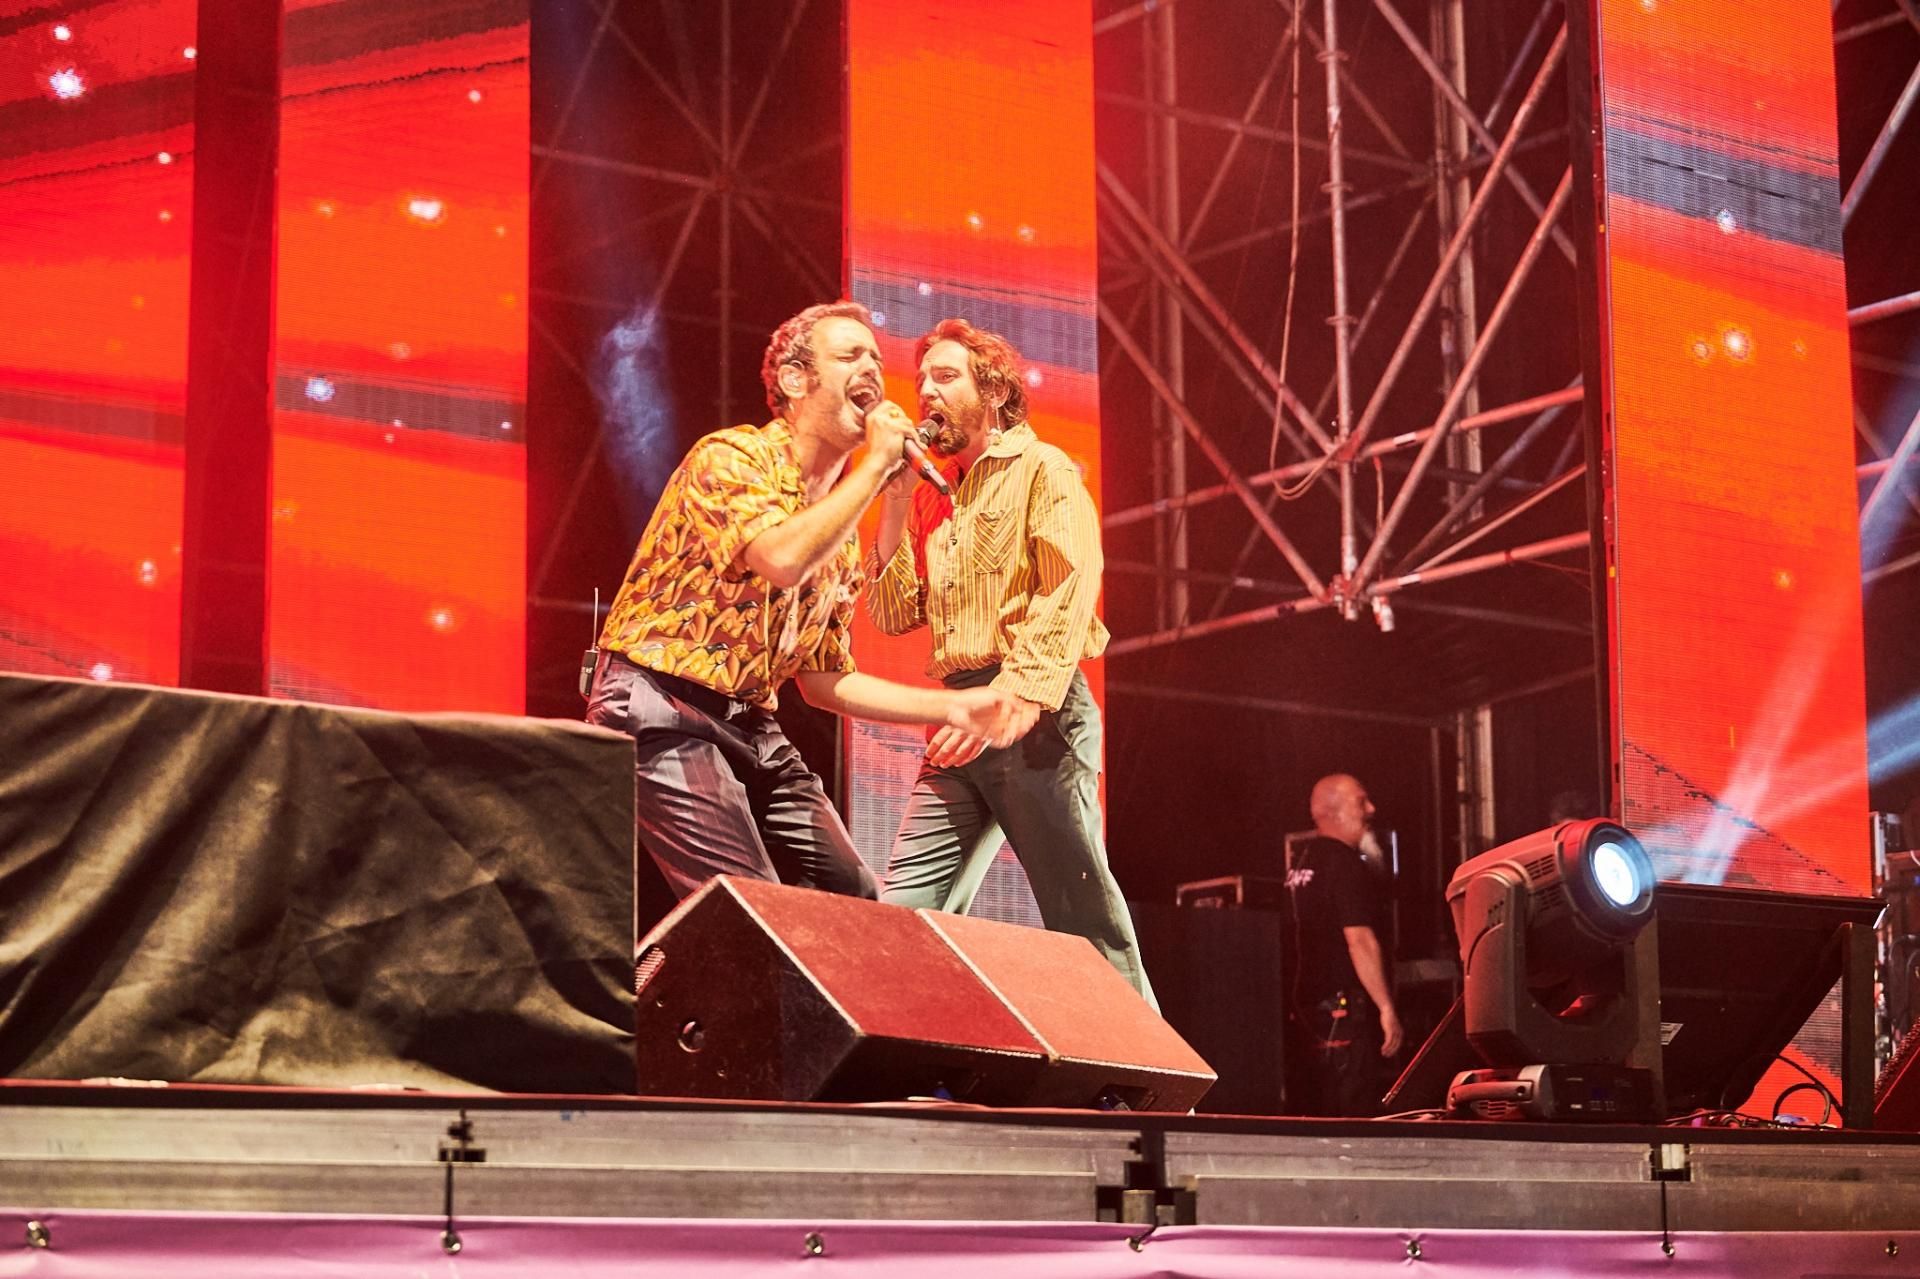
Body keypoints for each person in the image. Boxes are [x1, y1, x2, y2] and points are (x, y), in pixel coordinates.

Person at [586, 301, 1024, 901]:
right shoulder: (731, 458)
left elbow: (823, 681)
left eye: (876, 359)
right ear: (795, 381)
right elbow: (781, 557)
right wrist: (876, 468)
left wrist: (950, 708)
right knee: (749, 907)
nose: (871, 368)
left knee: (854, 902)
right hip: (661, 706)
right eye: (849, 356)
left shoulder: (837, 541)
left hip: (750, 723)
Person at [866, 318, 1156, 1006]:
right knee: (902, 915)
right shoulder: (932, 492)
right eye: (922, 379)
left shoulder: (1044, 470)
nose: (926, 391)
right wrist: (896, 497)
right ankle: (909, 1050)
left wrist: (1017, 697)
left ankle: (1143, 1065)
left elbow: (1070, 586)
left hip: (1036, 710)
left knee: (1084, 923)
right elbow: (891, 612)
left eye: (945, 376)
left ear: (993, 391)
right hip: (961, 714)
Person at [1284, 773, 1405, 1116]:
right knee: (1352, 1110)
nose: (1371, 809)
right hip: (1342, 1013)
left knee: (1317, 1110)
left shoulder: (1300, 864)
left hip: (1306, 1014)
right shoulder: (1345, 864)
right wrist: (1386, 1008)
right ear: (1334, 811)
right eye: (1361, 801)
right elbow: (1359, 940)